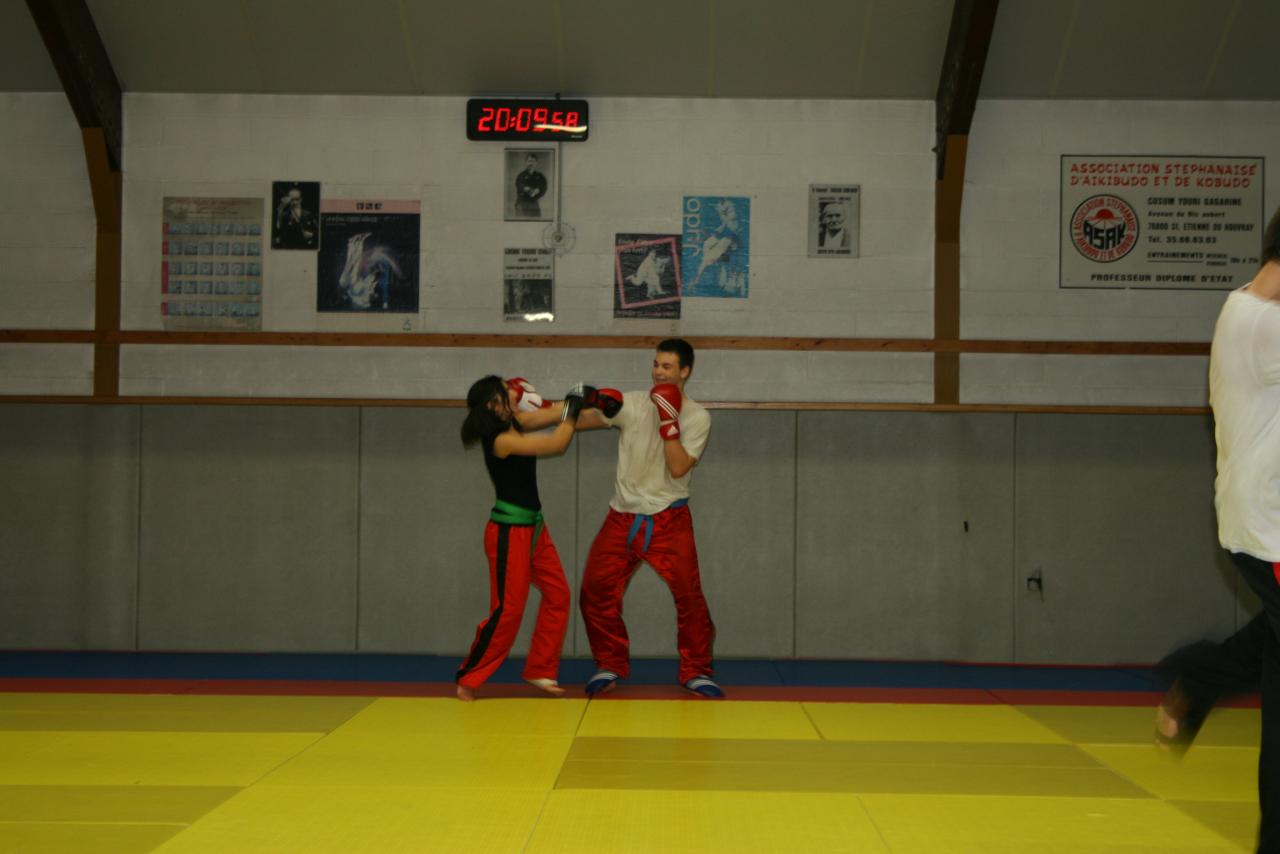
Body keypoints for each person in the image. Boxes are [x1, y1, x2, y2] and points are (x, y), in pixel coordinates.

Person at [1155, 205, 1280, 852]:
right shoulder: (1266, 326)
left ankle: (1201, 678)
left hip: (1256, 521)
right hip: (1272, 529)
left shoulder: (1241, 307)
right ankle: (1202, 675)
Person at [575, 338, 723, 698]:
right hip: (622, 516)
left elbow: (678, 468)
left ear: (685, 371)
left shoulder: (698, 417)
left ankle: (696, 670)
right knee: (594, 591)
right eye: (656, 364)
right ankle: (609, 663)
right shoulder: (634, 403)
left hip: (669, 519)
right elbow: (580, 421)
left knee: (689, 598)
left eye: (667, 366)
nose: (658, 372)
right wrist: (575, 403)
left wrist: (669, 422)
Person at [455, 375, 584, 701]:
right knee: (508, 612)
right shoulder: (500, 441)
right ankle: (469, 676)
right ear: (493, 404)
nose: (514, 393)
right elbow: (557, 443)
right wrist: (573, 408)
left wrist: (595, 405)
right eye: (506, 391)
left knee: (559, 594)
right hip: (508, 533)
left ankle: (540, 669)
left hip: (535, 528)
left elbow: (557, 413)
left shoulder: (516, 422)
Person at [514, 153, 548, 218]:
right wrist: (526, 189)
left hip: (534, 203)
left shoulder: (539, 176)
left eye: (533, 161)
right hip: (522, 203)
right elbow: (519, 185)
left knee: (536, 220)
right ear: (526, 162)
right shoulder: (521, 175)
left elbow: (543, 186)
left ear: (536, 163)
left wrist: (538, 190)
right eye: (529, 161)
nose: (531, 163)